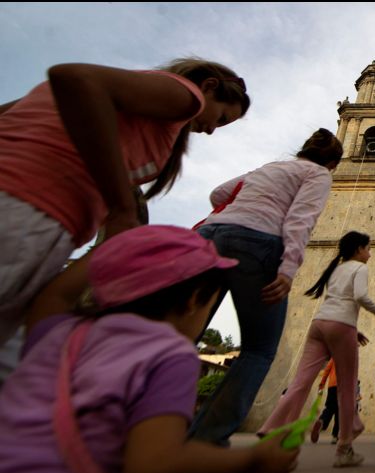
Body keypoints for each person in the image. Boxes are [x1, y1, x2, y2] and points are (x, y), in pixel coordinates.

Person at [0, 58, 250, 378]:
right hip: (27, 210)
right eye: (222, 117)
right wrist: (121, 205)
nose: (213, 129)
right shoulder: (185, 95)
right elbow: (73, 76)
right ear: (209, 87)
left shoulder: (140, 106)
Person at [0, 225, 298, 473]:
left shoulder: (59, 332)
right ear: (195, 299)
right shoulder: (169, 355)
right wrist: (251, 459)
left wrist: (115, 242)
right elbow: (154, 466)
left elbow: (55, 293)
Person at [188, 128, 343, 446]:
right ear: (332, 162)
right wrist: (288, 269)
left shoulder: (269, 167)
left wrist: (239, 210)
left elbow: (219, 194)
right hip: (257, 245)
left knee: (182, 336)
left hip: (209, 237)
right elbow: (300, 219)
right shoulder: (318, 174)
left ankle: (144, 428)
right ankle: (206, 439)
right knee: (258, 350)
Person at [257, 231, 375, 468]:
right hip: (341, 326)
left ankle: (272, 429)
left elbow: (337, 302)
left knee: (299, 383)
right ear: (359, 249)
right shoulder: (360, 268)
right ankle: (344, 447)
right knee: (347, 388)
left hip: (319, 325)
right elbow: (359, 296)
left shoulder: (336, 269)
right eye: (368, 249)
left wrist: (353, 331)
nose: (370, 254)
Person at [311, 359, 340, 445]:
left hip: (332, 386)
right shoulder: (349, 356)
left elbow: (327, 369)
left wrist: (322, 384)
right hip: (343, 387)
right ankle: (335, 436)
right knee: (339, 412)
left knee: (329, 408)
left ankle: (322, 422)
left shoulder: (334, 357)